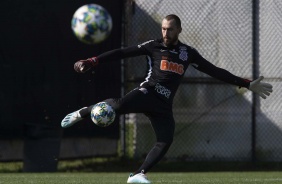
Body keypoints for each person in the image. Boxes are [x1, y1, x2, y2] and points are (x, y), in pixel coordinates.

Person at [61, 14, 273, 183]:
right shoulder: (154, 46)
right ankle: (84, 112)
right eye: (163, 28)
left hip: (163, 104)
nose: (165, 32)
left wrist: (246, 83)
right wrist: (93, 60)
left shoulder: (187, 53)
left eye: (170, 29)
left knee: (165, 139)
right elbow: (122, 52)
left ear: (179, 30)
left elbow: (214, 71)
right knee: (117, 106)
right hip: (148, 92)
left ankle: (137, 174)